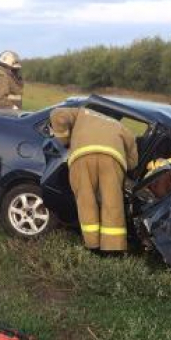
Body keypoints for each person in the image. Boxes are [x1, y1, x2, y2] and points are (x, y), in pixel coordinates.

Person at [49, 107, 138, 252]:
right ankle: (113, 248)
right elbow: (133, 160)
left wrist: (64, 140)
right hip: (112, 158)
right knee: (112, 203)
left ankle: (92, 245)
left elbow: (58, 116)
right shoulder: (121, 127)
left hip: (82, 157)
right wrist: (127, 169)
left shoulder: (81, 113)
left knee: (86, 201)